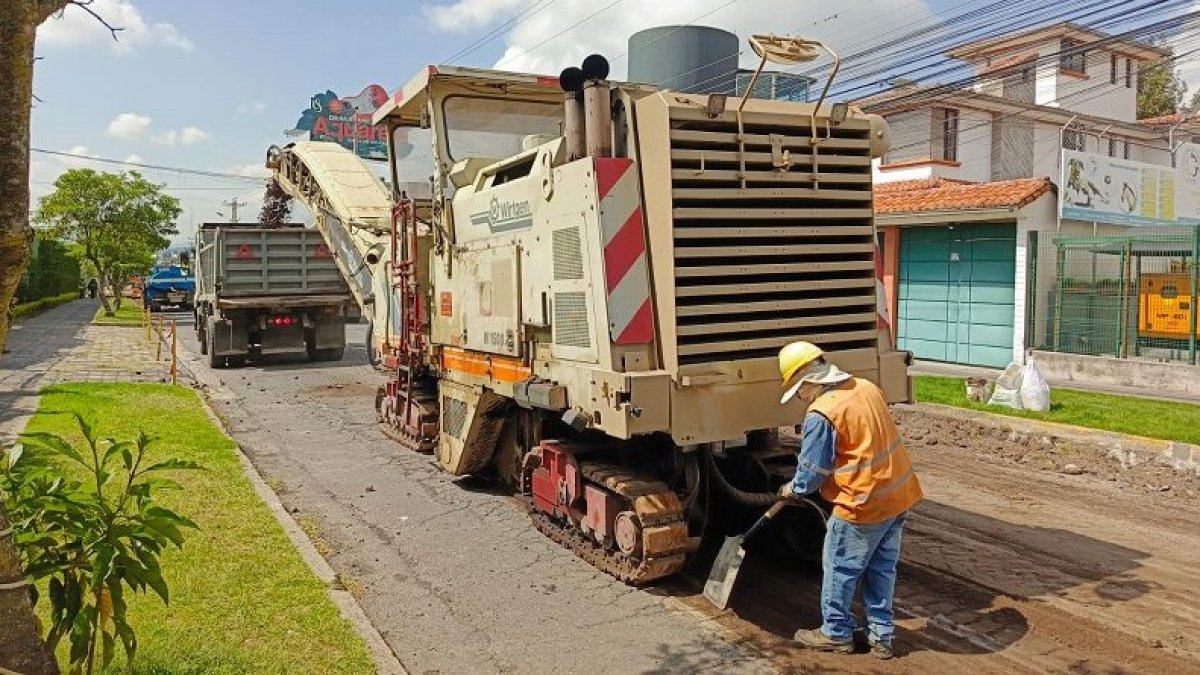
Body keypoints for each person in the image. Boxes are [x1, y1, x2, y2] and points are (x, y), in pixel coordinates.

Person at [776, 341, 923, 660]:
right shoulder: (867, 388)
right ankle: (882, 636)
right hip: (898, 496)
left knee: (840, 568)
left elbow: (812, 474)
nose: (801, 396)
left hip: (862, 504)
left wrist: (793, 489)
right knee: (882, 569)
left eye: (799, 389)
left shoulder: (822, 413)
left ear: (810, 380)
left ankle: (836, 633)